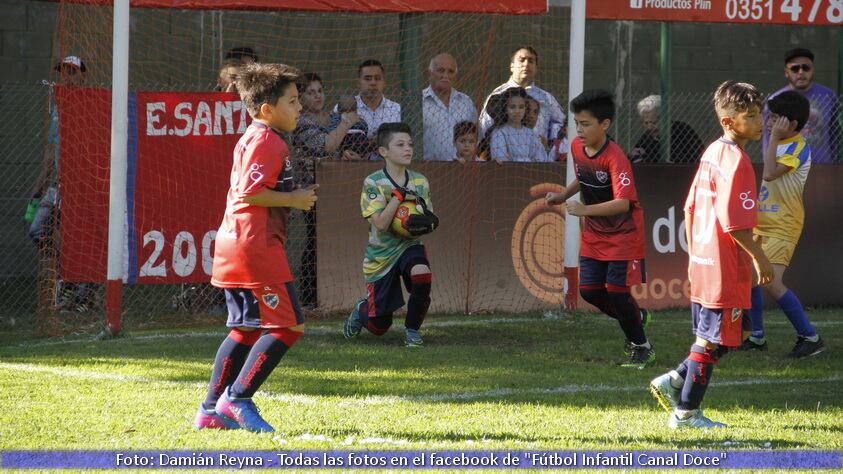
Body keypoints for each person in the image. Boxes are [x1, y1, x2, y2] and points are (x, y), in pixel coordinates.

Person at [193, 63, 319, 433]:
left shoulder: (254, 135)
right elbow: (250, 192)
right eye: (293, 101)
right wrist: (294, 198)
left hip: (235, 244)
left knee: (245, 329)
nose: (299, 108)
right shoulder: (268, 140)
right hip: (255, 246)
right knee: (289, 324)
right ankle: (238, 398)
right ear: (267, 109)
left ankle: (210, 411)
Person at [649, 81, 774, 429]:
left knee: (735, 336)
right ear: (728, 122)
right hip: (724, 267)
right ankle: (686, 412)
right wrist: (759, 258)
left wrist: (692, 256)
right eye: (749, 116)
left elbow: (689, 208)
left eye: (759, 113)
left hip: (705, 261)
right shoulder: (737, 161)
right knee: (711, 340)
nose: (759, 121)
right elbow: (734, 223)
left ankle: (675, 380)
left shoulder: (710, 153)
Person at [545, 89, 654, 369]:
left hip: (623, 235)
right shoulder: (577, 147)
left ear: (604, 124)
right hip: (595, 234)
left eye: (585, 124)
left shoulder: (616, 158)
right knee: (590, 292)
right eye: (576, 123)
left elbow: (623, 203)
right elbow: (583, 178)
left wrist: (584, 210)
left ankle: (642, 347)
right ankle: (636, 317)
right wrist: (563, 195)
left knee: (618, 292)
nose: (579, 130)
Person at [741, 91, 825, 357]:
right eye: (770, 117)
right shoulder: (777, 141)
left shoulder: (798, 148)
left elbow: (768, 173)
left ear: (792, 123)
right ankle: (756, 337)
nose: (769, 122)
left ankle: (810, 337)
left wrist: (774, 139)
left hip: (784, 225)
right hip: (762, 222)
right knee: (752, 279)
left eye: (775, 118)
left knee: (771, 281)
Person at [342, 122, 439, 347]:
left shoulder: (420, 181)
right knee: (379, 327)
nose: (408, 149)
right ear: (383, 151)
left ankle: (412, 331)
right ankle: (361, 310)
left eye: (410, 144)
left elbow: (430, 218)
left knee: (422, 274)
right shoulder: (374, 182)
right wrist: (398, 197)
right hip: (381, 255)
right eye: (400, 144)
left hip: (409, 246)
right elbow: (382, 224)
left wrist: (430, 222)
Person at [29, 55, 94, 313]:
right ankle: (66, 275)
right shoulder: (56, 106)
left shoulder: (91, 103)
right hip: (58, 184)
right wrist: (39, 184)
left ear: (83, 76)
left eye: (72, 71)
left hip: (82, 184)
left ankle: (84, 295)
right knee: (37, 230)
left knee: (81, 237)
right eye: (63, 71)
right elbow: (50, 148)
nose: (66, 76)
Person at [764, 48, 841, 164]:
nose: (801, 72)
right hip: (788, 166)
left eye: (806, 68)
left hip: (823, 165)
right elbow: (768, 139)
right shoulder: (776, 100)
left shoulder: (829, 96)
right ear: (786, 72)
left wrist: (836, 162)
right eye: (795, 69)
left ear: (813, 70)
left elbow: (835, 134)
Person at [478, 46, 564, 146]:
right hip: (504, 158)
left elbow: (562, 125)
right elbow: (483, 129)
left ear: (536, 68)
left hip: (538, 159)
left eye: (531, 61)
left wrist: (550, 140)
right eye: (521, 60)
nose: (526, 64)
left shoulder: (547, 98)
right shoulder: (498, 95)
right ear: (511, 66)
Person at [421, 53, 478, 161]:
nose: (445, 75)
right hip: (428, 171)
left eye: (450, 71)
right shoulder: (419, 102)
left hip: (463, 171)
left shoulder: (466, 102)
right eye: (441, 70)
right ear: (430, 73)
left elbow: (476, 137)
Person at [349, 59, 401, 160]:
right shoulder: (346, 107)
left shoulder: (397, 109)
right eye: (367, 79)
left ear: (384, 82)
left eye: (377, 78)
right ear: (358, 82)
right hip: (353, 168)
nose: (373, 83)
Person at [629, 95, 704, 163]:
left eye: (654, 122)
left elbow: (700, 155)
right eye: (646, 123)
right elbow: (633, 156)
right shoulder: (646, 138)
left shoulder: (684, 131)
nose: (650, 127)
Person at [488, 87, 546, 163]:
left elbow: (541, 160)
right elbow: (502, 162)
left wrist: (513, 159)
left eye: (521, 107)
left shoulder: (532, 134)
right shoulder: (499, 133)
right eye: (512, 107)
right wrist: (529, 160)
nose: (517, 111)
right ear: (505, 109)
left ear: (525, 109)